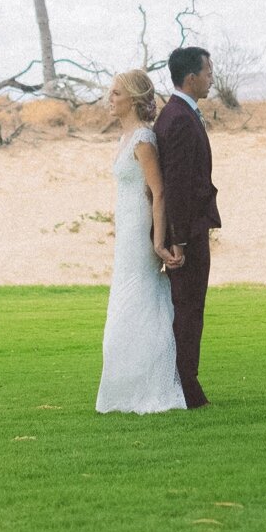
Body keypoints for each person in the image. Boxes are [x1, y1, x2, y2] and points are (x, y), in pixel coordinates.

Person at [95, 68, 187, 414]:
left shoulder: (144, 141)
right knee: (125, 300)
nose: (110, 99)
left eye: (116, 93)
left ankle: (148, 386)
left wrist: (160, 242)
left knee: (137, 299)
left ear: (133, 98)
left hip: (139, 231)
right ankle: (124, 387)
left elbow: (158, 191)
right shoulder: (125, 138)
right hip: (125, 231)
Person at [154, 45, 220, 409]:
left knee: (190, 307)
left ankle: (185, 384)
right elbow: (177, 185)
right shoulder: (178, 118)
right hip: (188, 233)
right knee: (189, 309)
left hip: (191, 228)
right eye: (208, 71)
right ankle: (187, 388)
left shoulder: (181, 114)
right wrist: (178, 239)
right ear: (191, 76)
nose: (212, 77)